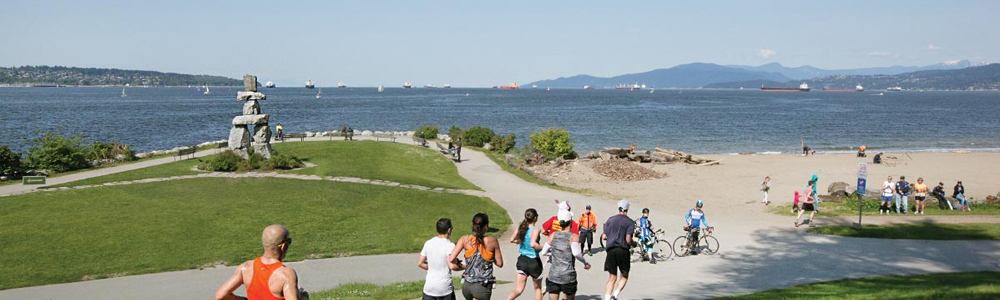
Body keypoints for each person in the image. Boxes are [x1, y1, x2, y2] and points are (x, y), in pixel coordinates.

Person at [214, 224, 304, 300]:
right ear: (283, 246)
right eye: (289, 241)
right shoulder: (286, 275)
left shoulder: (245, 268)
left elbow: (220, 296)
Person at [448, 213, 503, 300]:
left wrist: (459, 263)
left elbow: (451, 259)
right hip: (482, 287)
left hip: (467, 285)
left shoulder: (465, 239)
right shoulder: (492, 241)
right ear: (486, 227)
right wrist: (489, 257)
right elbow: (499, 263)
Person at [539, 210, 590, 300]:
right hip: (568, 276)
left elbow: (544, 252)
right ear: (570, 221)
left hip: (553, 275)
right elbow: (576, 253)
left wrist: (554, 253)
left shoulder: (553, 235)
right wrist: (585, 262)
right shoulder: (573, 236)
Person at [601, 199, 634, 300]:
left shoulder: (610, 220)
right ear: (627, 209)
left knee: (612, 277)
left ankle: (607, 298)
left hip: (611, 250)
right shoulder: (630, 222)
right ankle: (615, 295)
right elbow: (628, 239)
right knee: (624, 276)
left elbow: (604, 236)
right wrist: (634, 243)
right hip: (623, 250)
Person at [507, 209, 543, 300]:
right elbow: (533, 244)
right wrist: (544, 248)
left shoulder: (520, 227)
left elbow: (511, 240)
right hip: (534, 260)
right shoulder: (535, 229)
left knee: (518, 289)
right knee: (538, 289)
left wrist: (520, 242)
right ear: (535, 218)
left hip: (522, 260)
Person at [419, 218, 459, 300]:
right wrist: (464, 266)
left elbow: (420, 263)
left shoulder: (428, 243)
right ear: (449, 230)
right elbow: (452, 265)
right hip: (445, 288)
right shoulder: (450, 245)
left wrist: (433, 267)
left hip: (429, 287)